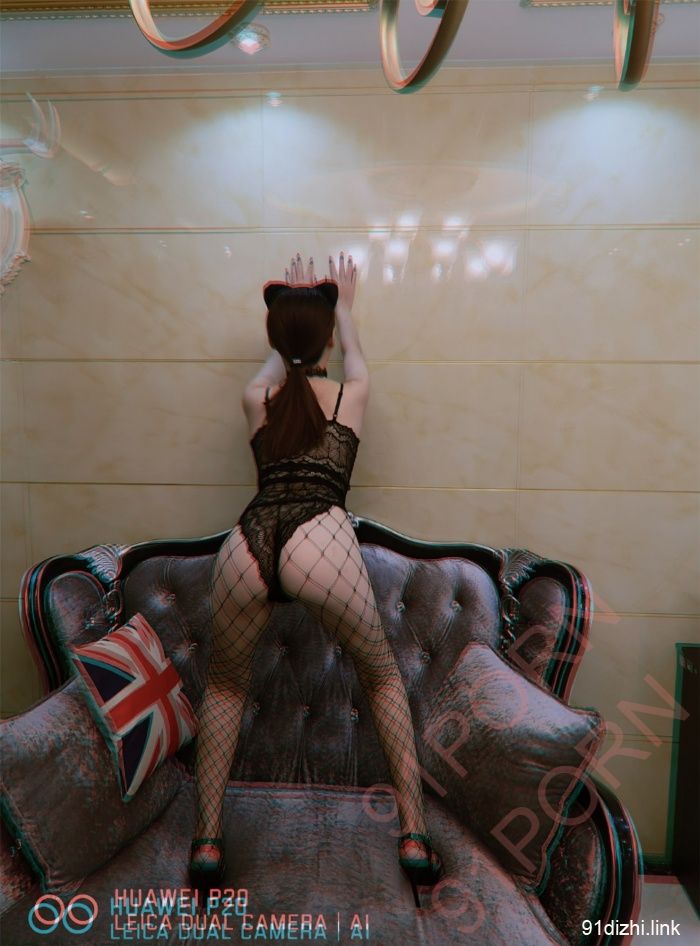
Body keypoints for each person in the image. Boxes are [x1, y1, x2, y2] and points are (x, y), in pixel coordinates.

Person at [189, 252, 443, 907]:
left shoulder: (257, 398)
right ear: (329, 338)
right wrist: (342, 309)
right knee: (382, 676)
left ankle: (207, 843)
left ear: (275, 341)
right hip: (319, 538)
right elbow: (353, 359)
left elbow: (280, 363)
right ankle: (415, 836)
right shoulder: (350, 395)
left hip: (248, 541)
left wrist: (290, 317)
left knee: (224, 685)